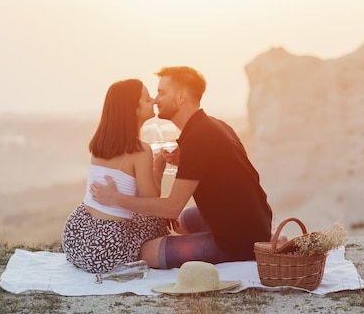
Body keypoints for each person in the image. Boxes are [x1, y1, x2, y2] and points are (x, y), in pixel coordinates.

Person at [91, 66, 274, 269]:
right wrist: (183, 159)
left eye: (162, 92)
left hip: (236, 242)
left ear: (181, 97)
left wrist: (116, 199)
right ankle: (264, 240)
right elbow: (222, 171)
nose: (156, 99)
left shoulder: (198, 139)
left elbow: (171, 207)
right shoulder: (214, 125)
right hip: (256, 223)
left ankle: (241, 249)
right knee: (182, 220)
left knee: (146, 252)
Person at [61, 78, 170, 274]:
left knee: (140, 216)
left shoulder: (100, 143)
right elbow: (150, 202)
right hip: (105, 249)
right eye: (147, 99)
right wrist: (158, 166)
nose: (153, 100)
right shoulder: (141, 149)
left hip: (75, 236)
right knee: (157, 219)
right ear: (134, 109)